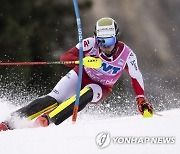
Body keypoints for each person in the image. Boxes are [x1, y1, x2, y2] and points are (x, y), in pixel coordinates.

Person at [0, 17, 153, 131]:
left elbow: (136, 76)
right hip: (80, 75)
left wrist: (141, 99)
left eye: (110, 41)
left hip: (101, 87)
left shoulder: (127, 55)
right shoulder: (90, 43)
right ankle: (9, 123)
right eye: (102, 41)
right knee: (52, 99)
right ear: (96, 38)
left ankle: (47, 120)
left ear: (116, 37)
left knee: (87, 92)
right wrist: (83, 60)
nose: (106, 46)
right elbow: (65, 58)